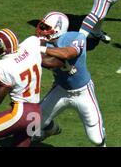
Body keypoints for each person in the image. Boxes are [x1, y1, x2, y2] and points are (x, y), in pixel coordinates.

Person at [0, 29, 63, 147]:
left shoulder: (3, 67)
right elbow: (40, 41)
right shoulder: (31, 46)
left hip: (21, 113)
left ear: (0, 46)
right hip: (36, 113)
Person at [33, 11, 106, 146]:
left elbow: (66, 54)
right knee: (31, 125)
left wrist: (41, 50)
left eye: (46, 28)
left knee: (96, 139)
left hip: (83, 92)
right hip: (61, 90)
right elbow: (45, 62)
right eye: (41, 26)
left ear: (58, 29)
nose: (41, 30)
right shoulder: (42, 43)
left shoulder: (76, 37)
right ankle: (50, 129)